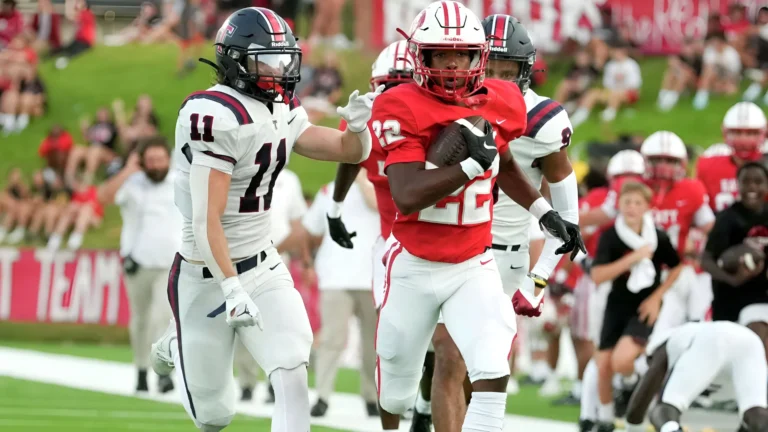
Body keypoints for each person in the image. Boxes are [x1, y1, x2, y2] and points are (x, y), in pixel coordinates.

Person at [148, 7, 381, 432]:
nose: (280, 69)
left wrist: (359, 128)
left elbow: (348, 151)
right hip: (206, 274)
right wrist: (230, 288)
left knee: (292, 366)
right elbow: (206, 220)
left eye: (284, 57)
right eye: (266, 59)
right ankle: (178, 337)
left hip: (263, 264)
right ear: (236, 60)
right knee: (214, 416)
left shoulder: (282, 109)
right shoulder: (215, 115)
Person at [369, 3, 582, 431]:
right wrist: (468, 165)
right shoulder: (401, 105)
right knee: (397, 385)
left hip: (474, 261)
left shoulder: (500, 99)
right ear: (420, 56)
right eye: (441, 54)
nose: (452, 63)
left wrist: (544, 212)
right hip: (415, 261)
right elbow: (407, 196)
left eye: (462, 53)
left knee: (490, 365)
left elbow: (501, 158)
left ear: (477, 56)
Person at [322, 38, 421, 428]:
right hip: (393, 245)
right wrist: (335, 206)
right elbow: (352, 155)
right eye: (389, 87)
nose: (396, 97)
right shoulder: (367, 123)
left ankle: (426, 405)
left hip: (448, 243)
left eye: (405, 87)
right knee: (394, 342)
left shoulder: (442, 120)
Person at [589, 181, 684, 432]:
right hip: (616, 304)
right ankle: (606, 418)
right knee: (603, 363)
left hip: (644, 306)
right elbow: (598, 275)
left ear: (647, 207)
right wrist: (633, 258)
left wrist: (657, 297)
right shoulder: (611, 236)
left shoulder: (658, 237)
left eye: (637, 203)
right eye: (626, 202)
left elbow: (677, 266)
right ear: (618, 205)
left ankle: (632, 383)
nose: (631, 207)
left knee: (622, 360)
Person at [97, 137, 180, 394]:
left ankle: (163, 373)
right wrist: (128, 170)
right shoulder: (133, 185)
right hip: (138, 263)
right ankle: (141, 370)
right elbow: (103, 196)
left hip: (169, 264)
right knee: (141, 321)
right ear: (142, 161)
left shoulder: (179, 182)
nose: (156, 165)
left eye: (160, 159)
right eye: (151, 160)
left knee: (163, 318)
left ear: (169, 159)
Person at [577, 150, 646, 432]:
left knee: (629, 351)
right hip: (608, 283)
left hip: (639, 284)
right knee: (603, 351)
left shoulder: (644, 201)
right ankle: (594, 413)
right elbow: (573, 227)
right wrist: (583, 260)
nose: (627, 182)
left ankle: (604, 409)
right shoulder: (606, 201)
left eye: (634, 178)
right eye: (621, 178)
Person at [302, 171, 379, 417]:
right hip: (335, 276)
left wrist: (362, 179)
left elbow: (376, 205)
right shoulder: (328, 191)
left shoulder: (378, 186)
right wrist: (307, 263)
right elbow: (310, 228)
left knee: (372, 344)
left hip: (372, 277)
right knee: (332, 340)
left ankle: (372, 397)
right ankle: (322, 396)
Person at [235, 168, 308, 404]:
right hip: (243, 259)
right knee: (245, 323)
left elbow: (297, 225)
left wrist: (305, 258)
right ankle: (246, 382)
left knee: (277, 325)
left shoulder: (290, 179)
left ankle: (274, 383)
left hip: (277, 260)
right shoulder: (242, 170)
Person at [623, 321, 768, 432]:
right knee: (757, 415)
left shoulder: (664, 347)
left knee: (668, 408)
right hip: (751, 343)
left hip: (712, 338)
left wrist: (632, 429)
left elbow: (638, 408)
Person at [701, 162, 768, 357]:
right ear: (737, 184)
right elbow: (706, 260)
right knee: (732, 351)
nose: (752, 188)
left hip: (760, 296)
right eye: (746, 182)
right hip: (730, 298)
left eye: (758, 181)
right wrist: (732, 279)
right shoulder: (727, 218)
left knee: (758, 342)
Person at [697, 101, 767, 213]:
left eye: (751, 133)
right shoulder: (709, 166)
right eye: (737, 133)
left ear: (764, 133)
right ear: (725, 133)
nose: (743, 140)